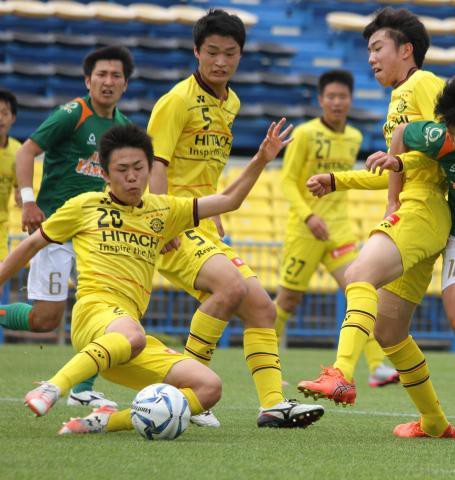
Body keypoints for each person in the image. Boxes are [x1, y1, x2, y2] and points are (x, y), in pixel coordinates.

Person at [18, 121, 322, 436]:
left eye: (139, 167)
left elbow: (229, 201)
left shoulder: (163, 211)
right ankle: (53, 388)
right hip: (95, 316)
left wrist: (261, 158)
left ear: (150, 170)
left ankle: (105, 421)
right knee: (135, 332)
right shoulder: (84, 206)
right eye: (122, 169)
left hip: (128, 338)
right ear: (105, 174)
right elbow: (28, 246)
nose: (132, 175)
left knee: (208, 387)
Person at [147, 9, 323, 428]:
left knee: (262, 308)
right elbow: (156, 164)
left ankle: (272, 405)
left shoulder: (233, 103)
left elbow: (206, 170)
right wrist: (160, 222)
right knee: (228, 286)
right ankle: (187, 396)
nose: (221, 61)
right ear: (196, 51)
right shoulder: (175, 102)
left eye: (230, 53)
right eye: (212, 52)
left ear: (240, 56)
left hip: (205, 222)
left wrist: (247, 176)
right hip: (171, 221)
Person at [298, 7, 455, 439]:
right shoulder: (399, 95)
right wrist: (337, 180)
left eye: (377, 47)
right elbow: (392, 165)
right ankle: (436, 422)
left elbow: (449, 141)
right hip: (420, 212)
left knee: (359, 273)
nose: (370, 57)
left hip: (423, 208)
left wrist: (400, 159)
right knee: (388, 330)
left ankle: (341, 374)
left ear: (406, 50)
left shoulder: (423, 83)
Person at [1, 46, 134, 408]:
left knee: (101, 308)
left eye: (115, 76)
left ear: (125, 83)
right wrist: (29, 200)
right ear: (87, 80)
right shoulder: (73, 113)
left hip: (97, 233)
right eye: (101, 75)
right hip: (56, 228)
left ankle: (82, 388)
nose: (108, 82)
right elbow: (26, 151)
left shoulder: (122, 127)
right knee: (45, 320)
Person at [275, 69, 398, 388]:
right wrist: (308, 216)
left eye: (342, 96)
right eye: (331, 96)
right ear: (320, 100)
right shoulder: (304, 134)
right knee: (287, 301)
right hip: (305, 231)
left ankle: (375, 366)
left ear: (350, 100)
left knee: (361, 290)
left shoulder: (354, 137)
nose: (337, 102)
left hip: (339, 231)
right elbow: (288, 181)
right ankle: (268, 364)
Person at [0, 89, 21, 260]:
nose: (0, 118)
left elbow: (19, 187)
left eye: (4, 113)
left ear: (12, 118)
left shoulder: (18, 151)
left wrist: (21, 194)